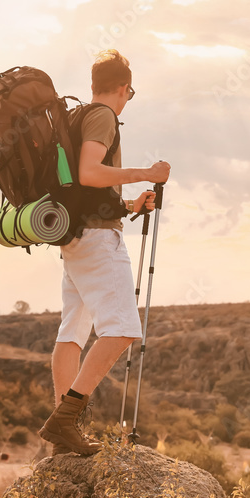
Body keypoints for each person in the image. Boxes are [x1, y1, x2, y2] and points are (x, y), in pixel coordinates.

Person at [38, 49, 171, 456]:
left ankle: (65, 431)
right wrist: (144, 174)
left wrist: (130, 204)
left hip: (75, 237)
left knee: (72, 333)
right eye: (130, 91)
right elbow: (89, 173)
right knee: (123, 330)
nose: (128, 97)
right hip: (97, 241)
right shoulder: (102, 117)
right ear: (122, 88)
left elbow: (84, 190)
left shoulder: (75, 118)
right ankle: (64, 420)